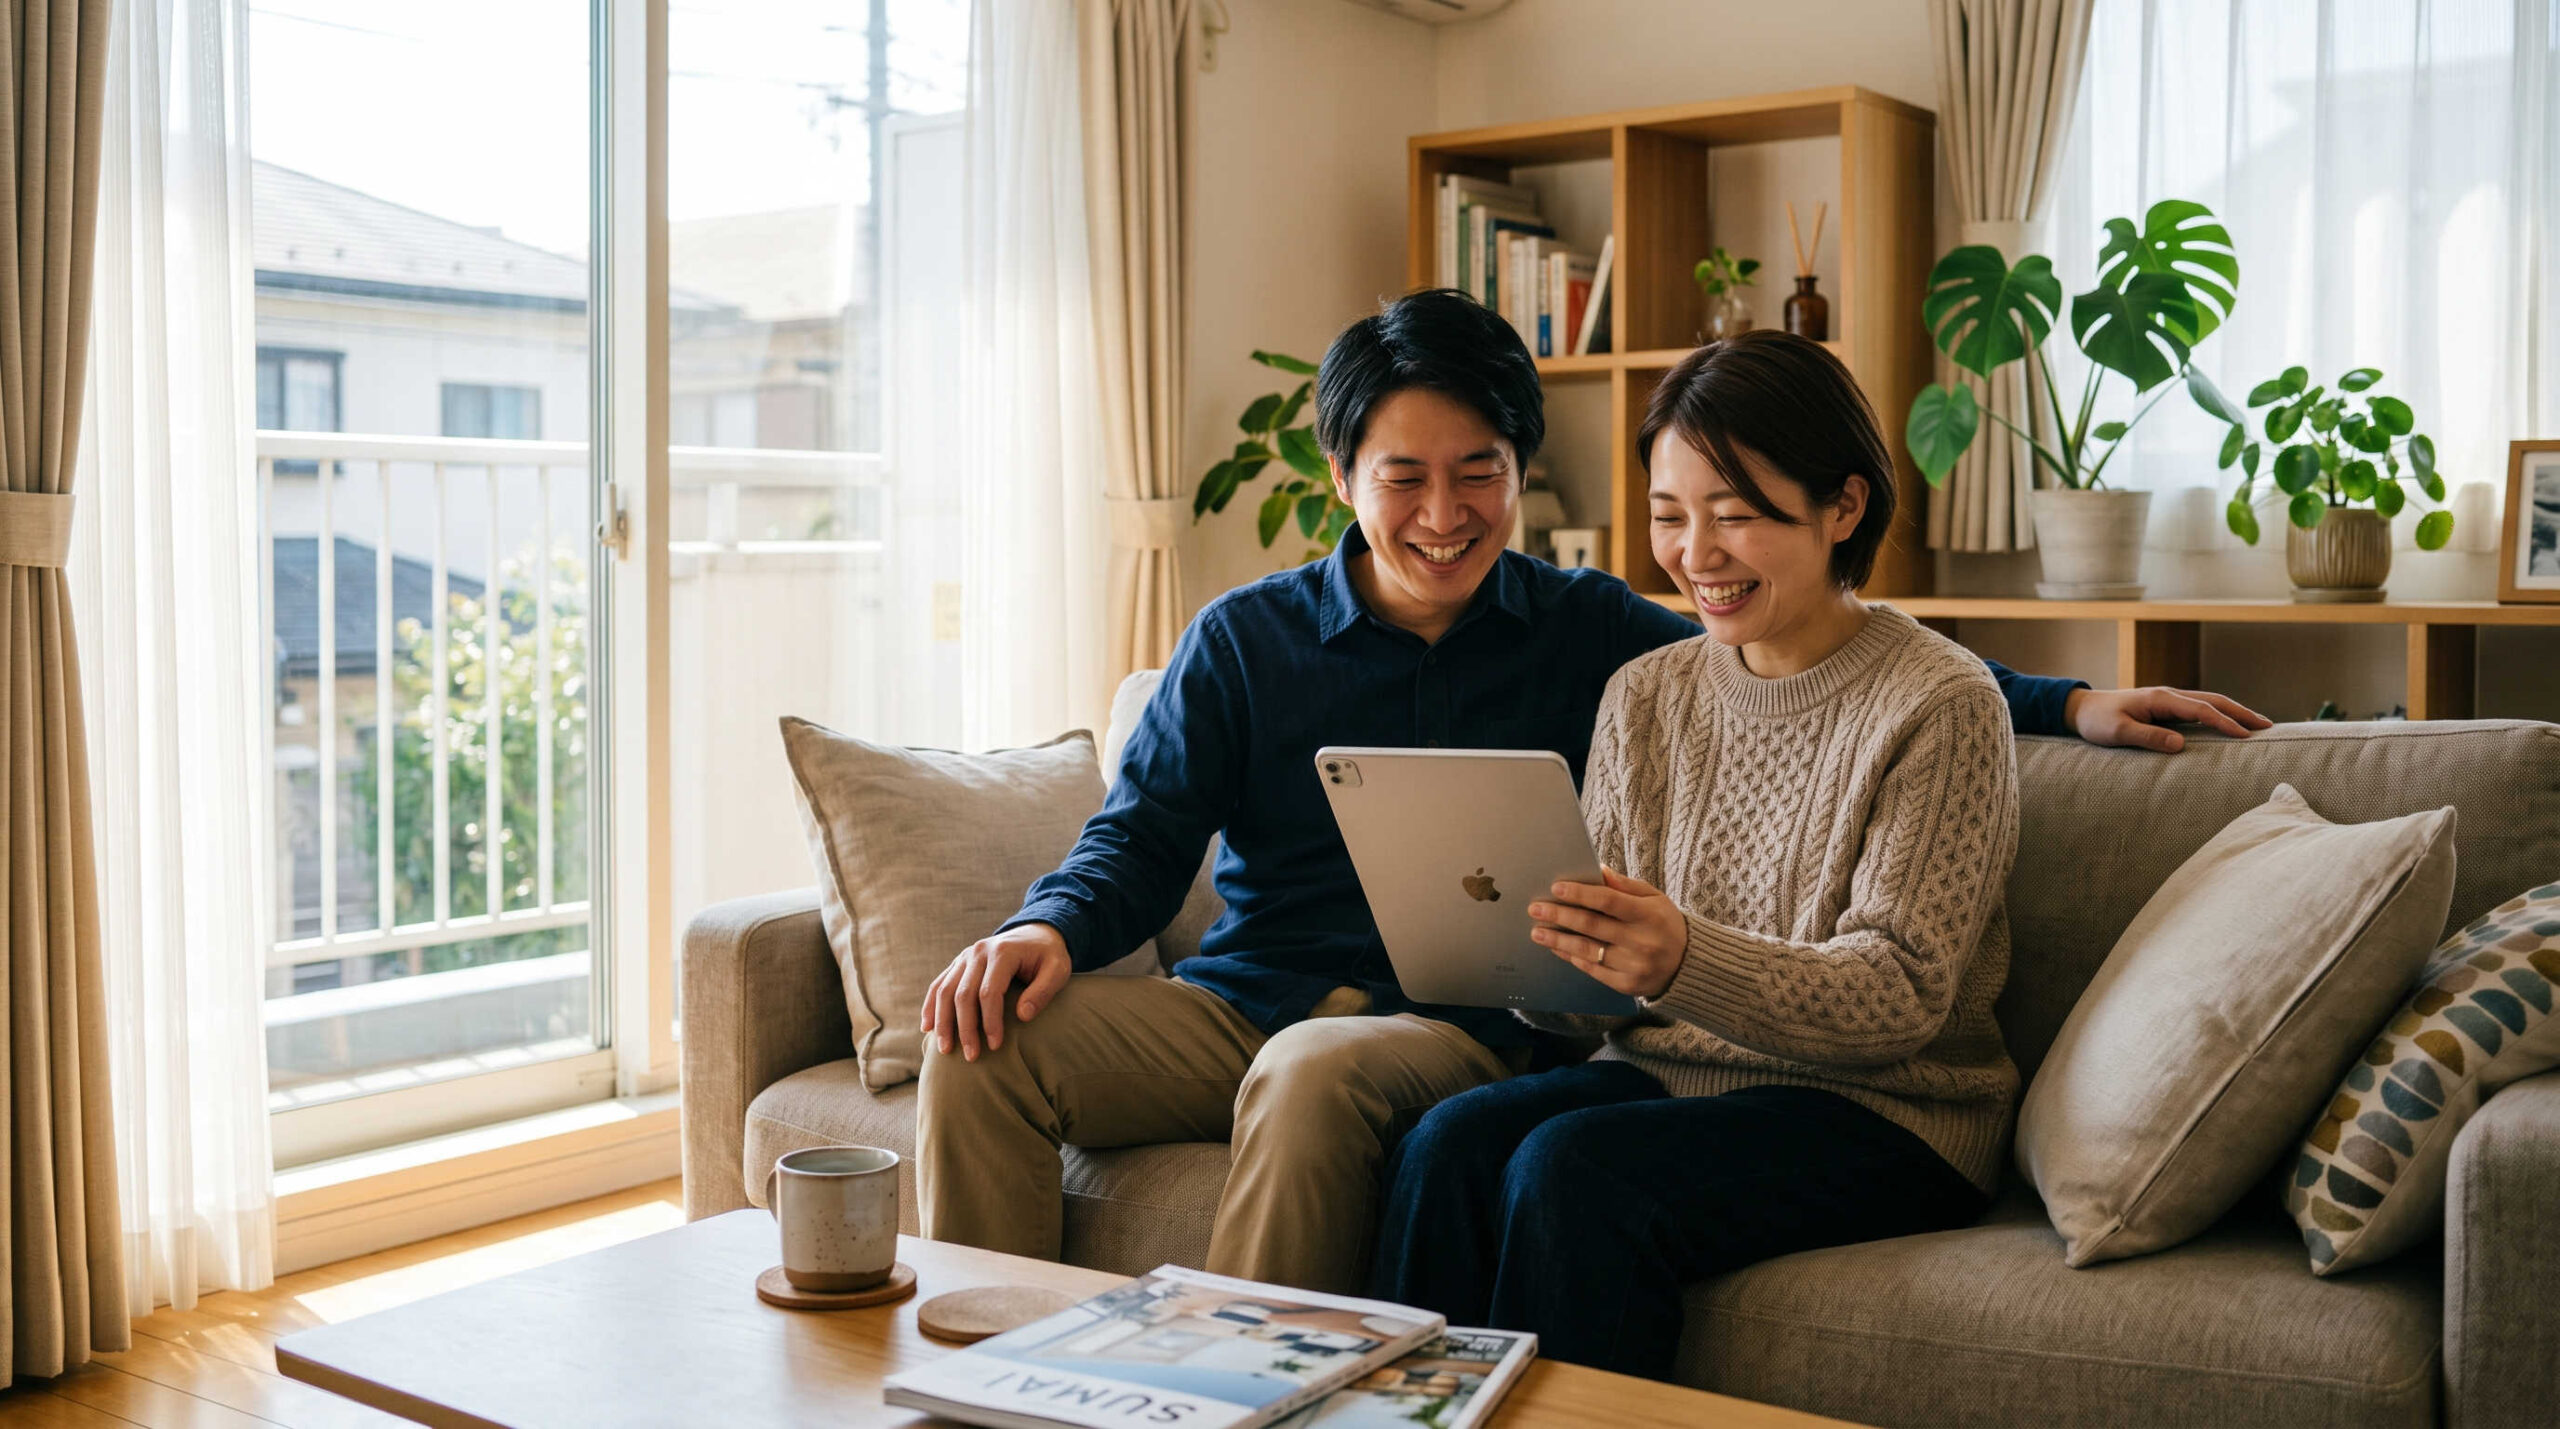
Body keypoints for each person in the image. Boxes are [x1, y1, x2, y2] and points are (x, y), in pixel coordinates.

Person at [915, 291, 2266, 1297]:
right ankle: (980, 1371)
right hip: (1251, 995)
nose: (1444, 513)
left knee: (1381, 1098)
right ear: (1342, 479)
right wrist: (1045, 927)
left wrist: (2066, 702)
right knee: (983, 1045)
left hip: (1454, 1027)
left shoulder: (1597, 633)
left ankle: (1249, 1390)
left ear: (1523, 472)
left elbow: (1841, 656)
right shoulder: (1255, 641)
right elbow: (1141, 834)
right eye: (1404, 478)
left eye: (1479, 474)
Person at [1367, 332, 2042, 1378]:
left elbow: (1902, 995)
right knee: (1445, 1144)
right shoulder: (1648, 692)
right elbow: (1604, 1006)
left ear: (1843, 507)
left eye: (1734, 514)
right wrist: (1545, 964)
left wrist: (1683, 958)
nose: (1695, 554)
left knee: (1576, 1169)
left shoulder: (1942, 702)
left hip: (1891, 1112)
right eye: (1669, 515)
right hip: (1667, 1075)